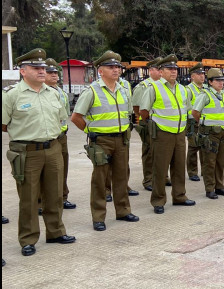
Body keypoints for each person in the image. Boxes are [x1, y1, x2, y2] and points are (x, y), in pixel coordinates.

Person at [2, 48, 76, 256]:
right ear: (23, 71)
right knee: (29, 198)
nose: (42, 71)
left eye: (43, 68)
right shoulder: (11, 95)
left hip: (53, 148)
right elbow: (3, 124)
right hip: (27, 151)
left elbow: (61, 118)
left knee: (55, 194)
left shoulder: (53, 93)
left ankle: (55, 232)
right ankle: (28, 238)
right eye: (36, 68)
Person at [70, 51, 139, 231]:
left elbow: (129, 113)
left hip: (122, 139)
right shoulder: (92, 91)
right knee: (100, 181)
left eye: (117, 67)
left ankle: (123, 210)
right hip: (101, 141)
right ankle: (98, 217)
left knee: (122, 177)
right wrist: (90, 131)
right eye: (111, 67)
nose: (116, 70)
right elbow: (76, 117)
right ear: (100, 71)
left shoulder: (124, 89)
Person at [138, 54, 196, 213]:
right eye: (169, 69)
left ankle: (179, 196)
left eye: (175, 69)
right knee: (160, 168)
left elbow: (187, 109)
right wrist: (156, 122)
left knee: (179, 167)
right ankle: (158, 200)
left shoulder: (183, 89)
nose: (173, 72)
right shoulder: (154, 88)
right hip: (162, 133)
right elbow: (143, 111)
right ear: (161, 71)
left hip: (179, 133)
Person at [192, 68, 224, 199]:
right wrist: (205, 123)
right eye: (217, 80)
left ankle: (219, 186)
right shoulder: (205, 95)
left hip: (223, 132)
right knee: (209, 162)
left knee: (220, 161)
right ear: (210, 82)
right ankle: (209, 188)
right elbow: (195, 112)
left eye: (222, 80)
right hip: (210, 133)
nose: (221, 83)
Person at [43, 58, 76, 210]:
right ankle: (40, 201)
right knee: (45, 172)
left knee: (63, 168)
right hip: (48, 137)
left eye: (56, 72)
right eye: (50, 72)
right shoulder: (42, 92)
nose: (54, 75)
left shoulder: (60, 91)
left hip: (62, 135)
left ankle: (62, 197)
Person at [131, 57, 167, 191]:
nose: (162, 72)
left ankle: (163, 177)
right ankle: (148, 179)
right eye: (159, 69)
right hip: (148, 124)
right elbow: (136, 107)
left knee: (163, 152)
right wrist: (145, 120)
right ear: (151, 71)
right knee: (149, 152)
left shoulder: (165, 85)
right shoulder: (143, 86)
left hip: (162, 124)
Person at [185, 63, 208, 181]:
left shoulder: (206, 88)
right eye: (199, 74)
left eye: (203, 74)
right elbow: (187, 107)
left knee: (204, 146)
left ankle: (205, 170)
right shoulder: (188, 89)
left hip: (204, 121)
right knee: (193, 147)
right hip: (193, 122)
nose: (202, 76)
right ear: (192, 76)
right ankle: (192, 171)